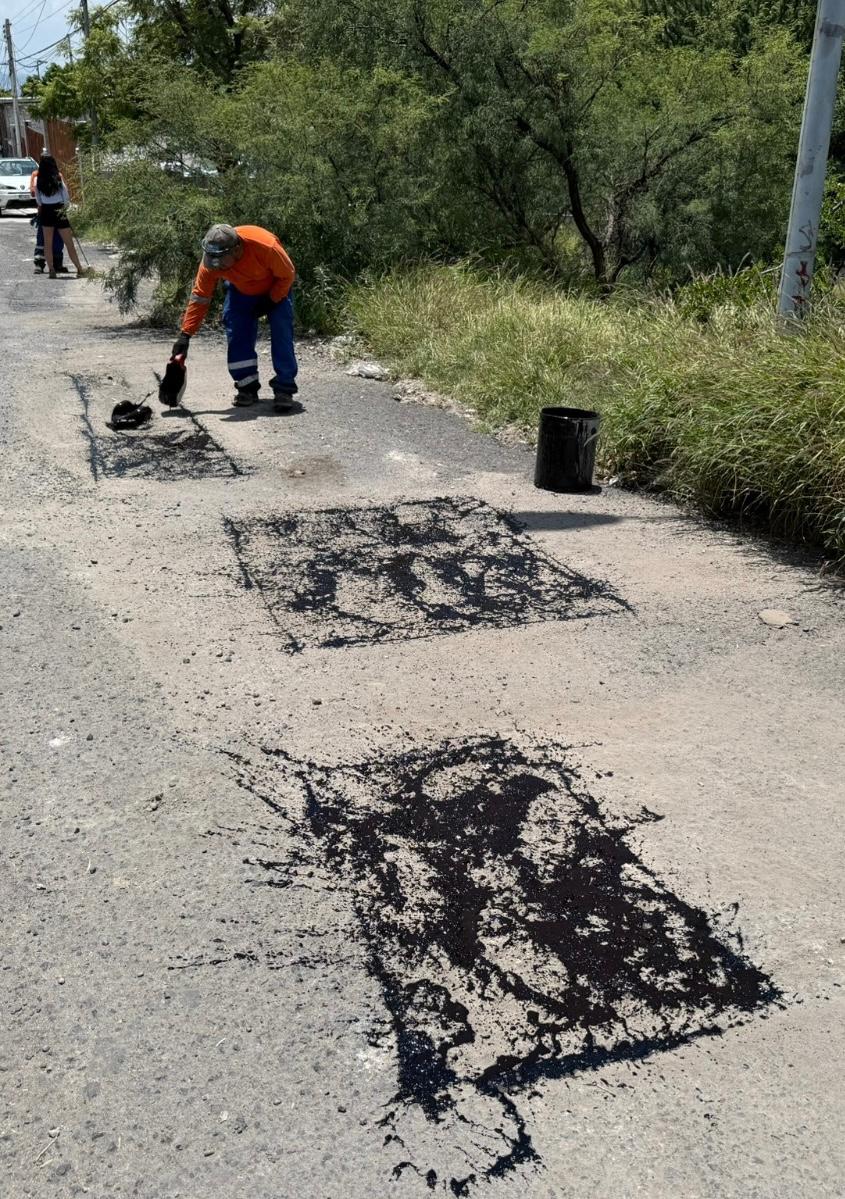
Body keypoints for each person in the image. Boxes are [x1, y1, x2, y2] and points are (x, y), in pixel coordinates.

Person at [172, 223, 298, 411]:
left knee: (282, 333)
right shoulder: (211, 262)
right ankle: (247, 386)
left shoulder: (265, 246)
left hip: (275, 289)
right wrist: (186, 334)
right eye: (213, 259)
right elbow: (201, 297)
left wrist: (272, 300)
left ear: (237, 249)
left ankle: (284, 388)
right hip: (241, 292)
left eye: (222, 259)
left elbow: (287, 275)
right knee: (237, 333)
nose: (217, 265)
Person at [33, 155, 86, 279]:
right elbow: (66, 197)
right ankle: (79, 268)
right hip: (59, 210)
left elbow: (38, 201)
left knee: (47, 243)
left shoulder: (38, 180)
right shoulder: (58, 178)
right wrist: (64, 209)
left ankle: (51, 270)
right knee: (69, 243)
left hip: (46, 212)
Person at [29, 165, 66, 274]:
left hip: (46, 211)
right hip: (53, 211)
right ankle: (44, 264)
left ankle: (54, 264)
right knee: (48, 238)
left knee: (49, 238)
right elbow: (66, 195)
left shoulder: (41, 176)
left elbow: (36, 196)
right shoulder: (38, 176)